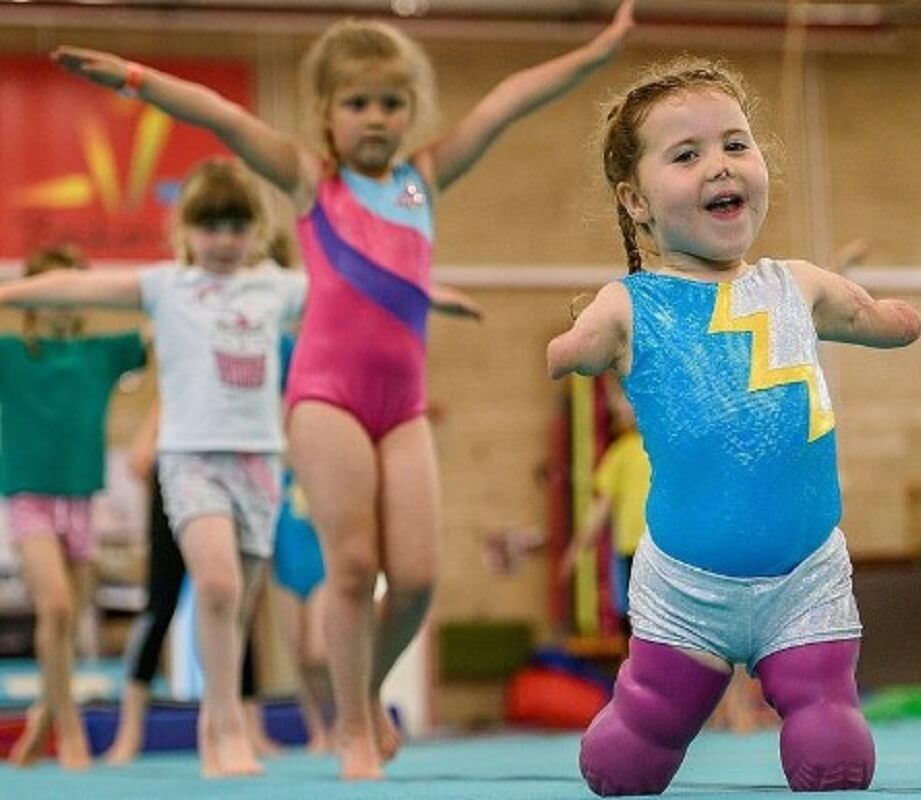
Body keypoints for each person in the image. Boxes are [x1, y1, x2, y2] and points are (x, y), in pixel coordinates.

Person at [51, 2, 634, 779]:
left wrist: (596, 53)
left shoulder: (423, 181)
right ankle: (355, 727)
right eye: (358, 102)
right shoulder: (310, 182)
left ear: (411, 110)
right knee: (352, 568)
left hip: (403, 405)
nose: (376, 117)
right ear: (326, 112)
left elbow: (506, 102)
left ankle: (364, 693)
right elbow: (220, 115)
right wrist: (134, 79)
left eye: (392, 102)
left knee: (416, 579)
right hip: (326, 399)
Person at [546, 59, 921, 795]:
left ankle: (822, 717)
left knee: (835, 751)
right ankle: (642, 726)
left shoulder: (796, 283)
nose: (719, 165)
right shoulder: (632, 302)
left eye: (735, 144)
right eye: (686, 155)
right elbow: (580, 344)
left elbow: (864, 314)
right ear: (635, 200)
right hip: (688, 589)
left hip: (806, 579)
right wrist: (576, 347)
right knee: (629, 758)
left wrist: (890, 319)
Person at [0, 159, 307, 777]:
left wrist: (420, 293)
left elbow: (352, 293)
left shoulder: (273, 288)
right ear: (185, 230)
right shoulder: (165, 287)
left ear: (254, 231)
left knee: (236, 605)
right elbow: (72, 288)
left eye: (237, 227)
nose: (224, 240)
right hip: (174, 463)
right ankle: (209, 727)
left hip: (247, 463)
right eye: (210, 227)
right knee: (206, 588)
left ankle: (214, 716)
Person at [0, 245, 147, 770]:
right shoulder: (12, 353)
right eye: (50, 292)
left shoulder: (99, 353)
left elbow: (161, 328)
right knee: (57, 607)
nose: (61, 303)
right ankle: (69, 730)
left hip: (80, 498)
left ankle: (42, 718)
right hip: (29, 496)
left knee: (69, 621)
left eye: (71, 292)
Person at [560, 378, 648, 622]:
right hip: (633, 549)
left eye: (621, 401)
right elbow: (600, 508)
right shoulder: (620, 454)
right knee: (637, 620)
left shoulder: (665, 445)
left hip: (665, 547)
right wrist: (577, 548)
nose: (614, 408)